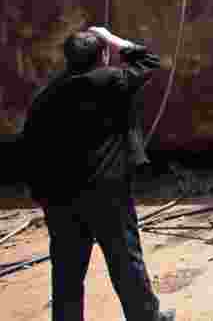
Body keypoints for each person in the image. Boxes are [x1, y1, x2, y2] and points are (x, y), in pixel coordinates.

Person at [17, 27, 174, 321]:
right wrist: (112, 38)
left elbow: (28, 150)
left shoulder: (45, 96)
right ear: (102, 55)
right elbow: (150, 61)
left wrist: (42, 196)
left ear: (68, 59)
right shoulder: (110, 80)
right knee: (126, 262)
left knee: (66, 272)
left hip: (61, 200)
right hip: (107, 196)